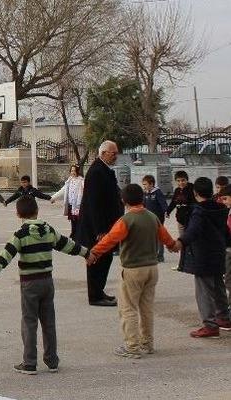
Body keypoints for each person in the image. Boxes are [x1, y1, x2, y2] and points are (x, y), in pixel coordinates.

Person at [0, 195, 90, 375]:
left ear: (18, 214)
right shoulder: (48, 230)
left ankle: (30, 363)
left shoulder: (20, 234)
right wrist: (87, 253)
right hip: (47, 282)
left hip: (29, 284)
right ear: (37, 211)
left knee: (29, 322)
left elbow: (6, 255)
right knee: (49, 322)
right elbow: (67, 245)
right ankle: (52, 360)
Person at [88, 184, 179, 358]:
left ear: (123, 200)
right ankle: (147, 344)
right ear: (142, 198)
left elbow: (110, 240)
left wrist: (94, 253)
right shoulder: (152, 217)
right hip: (152, 268)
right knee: (146, 308)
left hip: (133, 269)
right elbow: (165, 237)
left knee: (128, 308)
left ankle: (132, 347)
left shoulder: (126, 220)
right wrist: (174, 246)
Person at [176, 177, 231, 338]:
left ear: (195, 193)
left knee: (204, 290)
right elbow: (226, 232)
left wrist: (180, 242)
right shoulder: (221, 208)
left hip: (203, 255)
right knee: (219, 285)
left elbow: (193, 230)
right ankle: (224, 317)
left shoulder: (199, 211)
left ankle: (209, 324)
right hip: (218, 252)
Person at [77, 140, 124, 307]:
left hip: (106, 226)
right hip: (97, 229)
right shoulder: (97, 171)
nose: (116, 156)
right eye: (113, 153)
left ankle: (99, 291)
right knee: (97, 260)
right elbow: (94, 203)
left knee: (106, 259)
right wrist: (100, 230)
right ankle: (95, 296)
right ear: (103, 153)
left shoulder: (103, 169)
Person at [50, 165, 84, 238]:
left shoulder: (81, 181)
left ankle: (77, 236)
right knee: (73, 221)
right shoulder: (69, 181)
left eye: (74, 171)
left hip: (78, 206)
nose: (73, 172)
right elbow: (62, 191)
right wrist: (52, 198)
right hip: (71, 205)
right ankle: (74, 235)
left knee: (78, 221)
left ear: (77, 171)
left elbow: (87, 192)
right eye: (71, 171)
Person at [142, 175, 169, 263]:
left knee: (159, 237)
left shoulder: (157, 192)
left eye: (145, 184)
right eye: (143, 184)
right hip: (148, 218)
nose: (144, 186)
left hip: (158, 218)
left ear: (151, 184)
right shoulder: (145, 193)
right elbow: (143, 205)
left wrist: (166, 211)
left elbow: (163, 203)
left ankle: (160, 256)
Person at [167, 170, 196, 238]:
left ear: (187, 180)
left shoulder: (192, 189)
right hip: (180, 220)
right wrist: (168, 211)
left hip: (190, 220)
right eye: (178, 181)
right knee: (183, 239)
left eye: (183, 180)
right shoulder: (177, 190)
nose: (181, 183)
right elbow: (173, 202)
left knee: (191, 239)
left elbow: (196, 203)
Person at [217, 186, 231, 304]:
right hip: (227, 249)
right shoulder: (226, 211)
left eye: (225, 199)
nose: (223, 202)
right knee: (227, 279)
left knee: (228, 280)